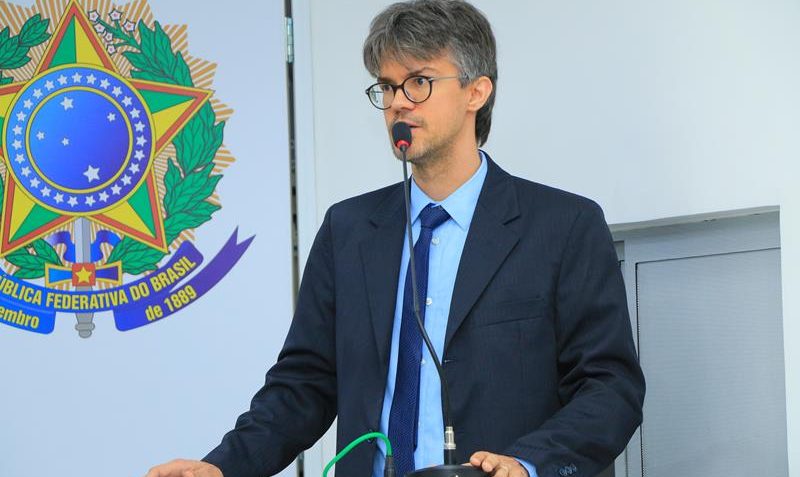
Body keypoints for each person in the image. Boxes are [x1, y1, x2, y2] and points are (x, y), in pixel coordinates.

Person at [145, 1, 645, 477]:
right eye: (387, 87)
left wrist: (527, 463)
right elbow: (304, 385)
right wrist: (223, 465)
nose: (398, 103)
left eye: (419, 82)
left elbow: (609, 388)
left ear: (476, 92)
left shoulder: (563, 227)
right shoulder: (348, 230)